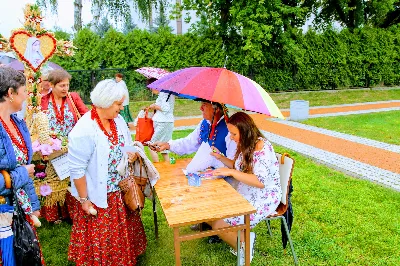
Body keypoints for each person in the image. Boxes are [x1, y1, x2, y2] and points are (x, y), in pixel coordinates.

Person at [68, 79, 147, 265]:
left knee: (123, 230)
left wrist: (132, 153)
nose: (121, 108)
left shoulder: (118, 121)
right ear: (105, 102)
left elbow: (126, 143)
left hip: (121, 188)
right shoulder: (84, 130)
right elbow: (77, 170)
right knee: (103, 235)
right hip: (98, 194)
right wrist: (84, 200)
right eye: (118, 104)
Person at [210, 112, 282, 265]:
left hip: (264, 196)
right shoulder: (245, 144)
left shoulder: (261, 147)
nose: (231, 137)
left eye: (233, 133)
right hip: (247, 191)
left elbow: (260, 181)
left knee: (218, 224)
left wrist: (231, 172)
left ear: (245, 131)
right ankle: (242, 239)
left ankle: (244, 246)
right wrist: (221, 158)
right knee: (212, 212)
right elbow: (237, 167)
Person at [0, 67, 44, 265]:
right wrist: (20, 174)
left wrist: (33, 206)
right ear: (10, 93)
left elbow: (25, 167)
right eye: (24, 91)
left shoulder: (18, 123)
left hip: (20, 210)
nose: (27, 96)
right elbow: (23, 171)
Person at [40, 69, 88, 223]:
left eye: (67, 85)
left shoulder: (73, 98)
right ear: (51, 85)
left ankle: (73, 213)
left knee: (72, 178)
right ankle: (54, 215)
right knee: (53, 179)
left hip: (72, 146)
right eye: (61, 85)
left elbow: (86, 115)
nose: (65, 88)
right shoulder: (42, 101)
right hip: (51, 149)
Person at [153, 100, 236, 159]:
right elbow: (189, 142)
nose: (201, 108)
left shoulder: (230, 130)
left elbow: (233, 162)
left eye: (204, 104)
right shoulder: (204, 124)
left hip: (225, 179)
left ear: (216, 109)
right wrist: (168, 145)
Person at [147, 79, 175, 162]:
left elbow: (166, 108)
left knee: (152, 145)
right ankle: (167, 166)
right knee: (164, 147)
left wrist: (155, 106)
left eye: (151, 88)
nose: (151, 90)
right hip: (166, 122)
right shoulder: (167, 93)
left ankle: (157, 167)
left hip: (163, 122)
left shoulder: (164, 93)